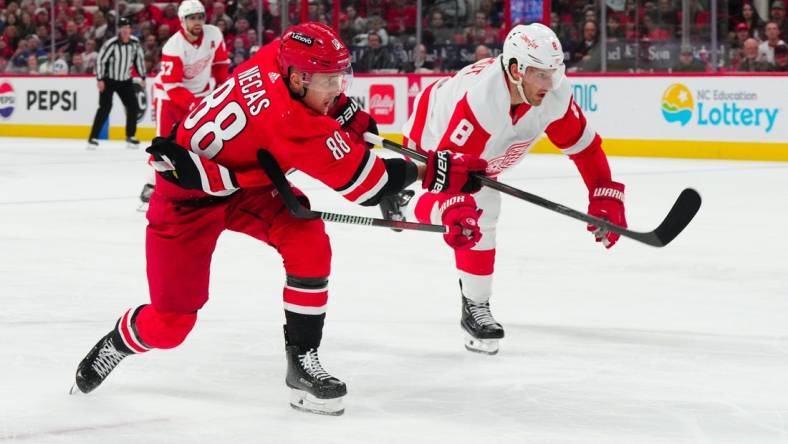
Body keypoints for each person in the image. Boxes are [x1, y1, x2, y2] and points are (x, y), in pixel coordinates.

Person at [71, 22, 487, 416]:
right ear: (297, 79)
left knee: (308, 239)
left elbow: (325, 104)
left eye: (339, 78)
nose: (335, 88)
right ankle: (118, 341)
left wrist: (344, 110)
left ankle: (302, 363)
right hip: (186, 202)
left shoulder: (279, 55)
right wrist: (438, 171)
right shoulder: (293, 124)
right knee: (172, 324)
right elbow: (370, 186)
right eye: (328, 82)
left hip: (244, 183)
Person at [381, 23, 627, 355]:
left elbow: (585, 149)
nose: (551, 83)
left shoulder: (555, 94)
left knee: (477, 210)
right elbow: (450, 170)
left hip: (484, 152)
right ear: (515, 70)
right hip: (434, 132)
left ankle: (407, 202)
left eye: (555, 72)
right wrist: (454, 207)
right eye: (541, 74)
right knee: (479, 210)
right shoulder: (482, 102)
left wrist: (603, 193)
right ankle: (473, 302)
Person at [139, 0, 230, 211]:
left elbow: (220, 64)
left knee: (202, 141)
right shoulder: (174, 45)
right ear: (182, 21)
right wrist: (193, 104)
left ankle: (202, 185)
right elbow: (172, 84)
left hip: (200, 94)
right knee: (163, 143)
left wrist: (220, 90)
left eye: (200, 17)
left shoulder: (214, 34)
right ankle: (152, 186)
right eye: (192, 18)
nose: (197, 22)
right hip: (169, 97)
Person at [87, 17, 146, 150]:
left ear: (131, 29)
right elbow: (101, 60)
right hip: (109, 80)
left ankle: (130, 136)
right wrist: (100, 79)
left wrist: (143, 76)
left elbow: (139, 59)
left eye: (127, 27)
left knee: (133, 106)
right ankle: (93, 137)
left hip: (125, 80)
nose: (125, 30)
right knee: (105, 108)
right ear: (119, 29)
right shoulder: (111, 44)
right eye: (122, 27)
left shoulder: (135, 43)